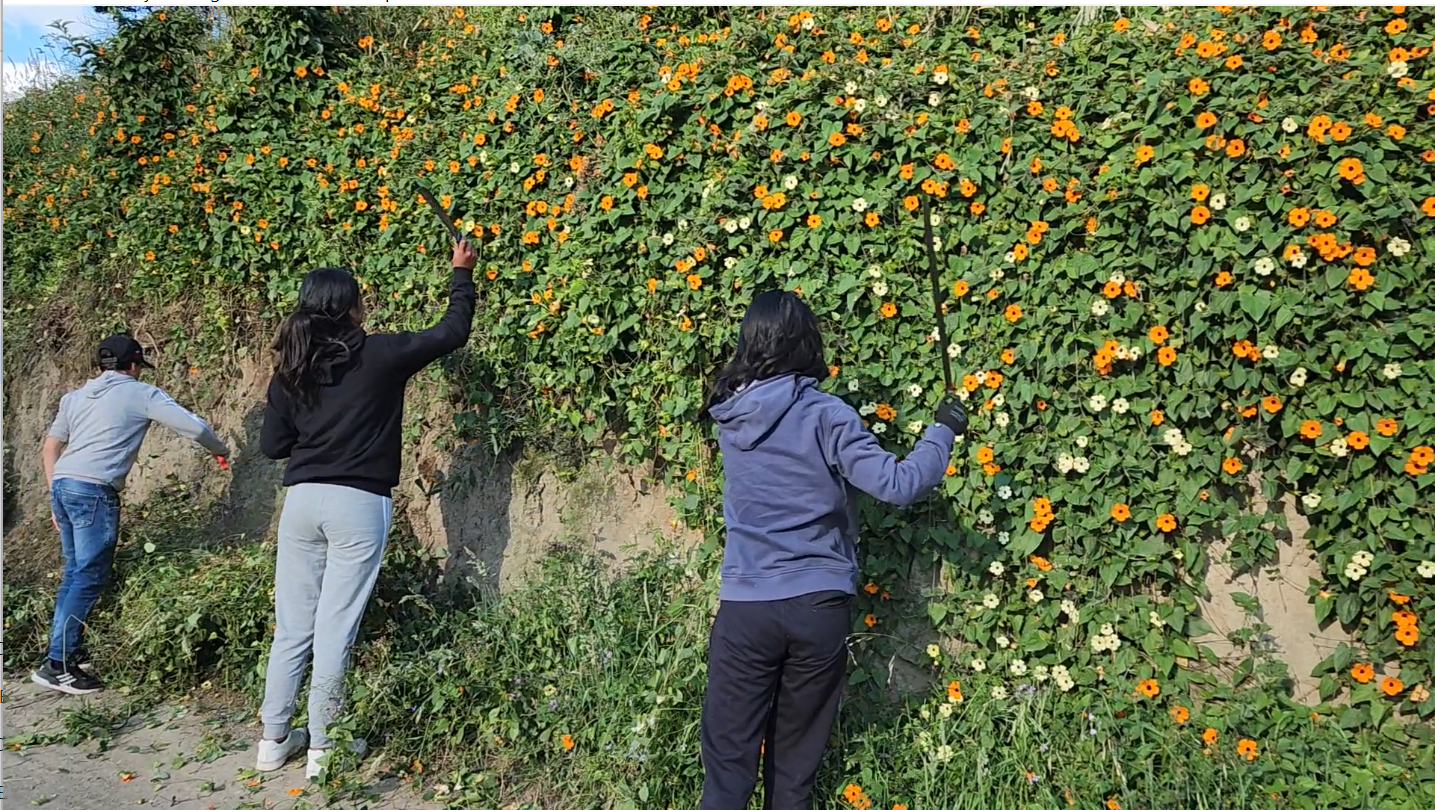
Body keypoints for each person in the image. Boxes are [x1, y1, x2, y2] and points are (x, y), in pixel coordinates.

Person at [696, 290, 966, 810]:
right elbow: (899, 484)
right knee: (792, 777)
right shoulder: (826, 415)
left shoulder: (730, 417)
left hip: (746, 608)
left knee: (727, 777)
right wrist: (943, 430)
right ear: (806, 341)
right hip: (817, 606)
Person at [255, 240, 476, 780]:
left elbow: (271, 446)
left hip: (302, 502)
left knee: (293, 628)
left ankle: (272, 740)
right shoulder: (378, 354)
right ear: (351, 308)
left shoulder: (292, 367)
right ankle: (324, 750)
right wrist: (460, 273)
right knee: (335, 627)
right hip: (357, 502)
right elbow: (451, 332)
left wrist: (316, 435)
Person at [34, 334, 231, 695]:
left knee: (75, 572)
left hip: (63, 484)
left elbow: (50, 447)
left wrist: (54, 495)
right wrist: (220, 449)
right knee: (89, 576)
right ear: (134, 365)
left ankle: (63, 654)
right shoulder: (141, 393)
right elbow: (193, 427)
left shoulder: (74, 397)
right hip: (93, 489)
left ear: (100, 365)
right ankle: (58, 664)